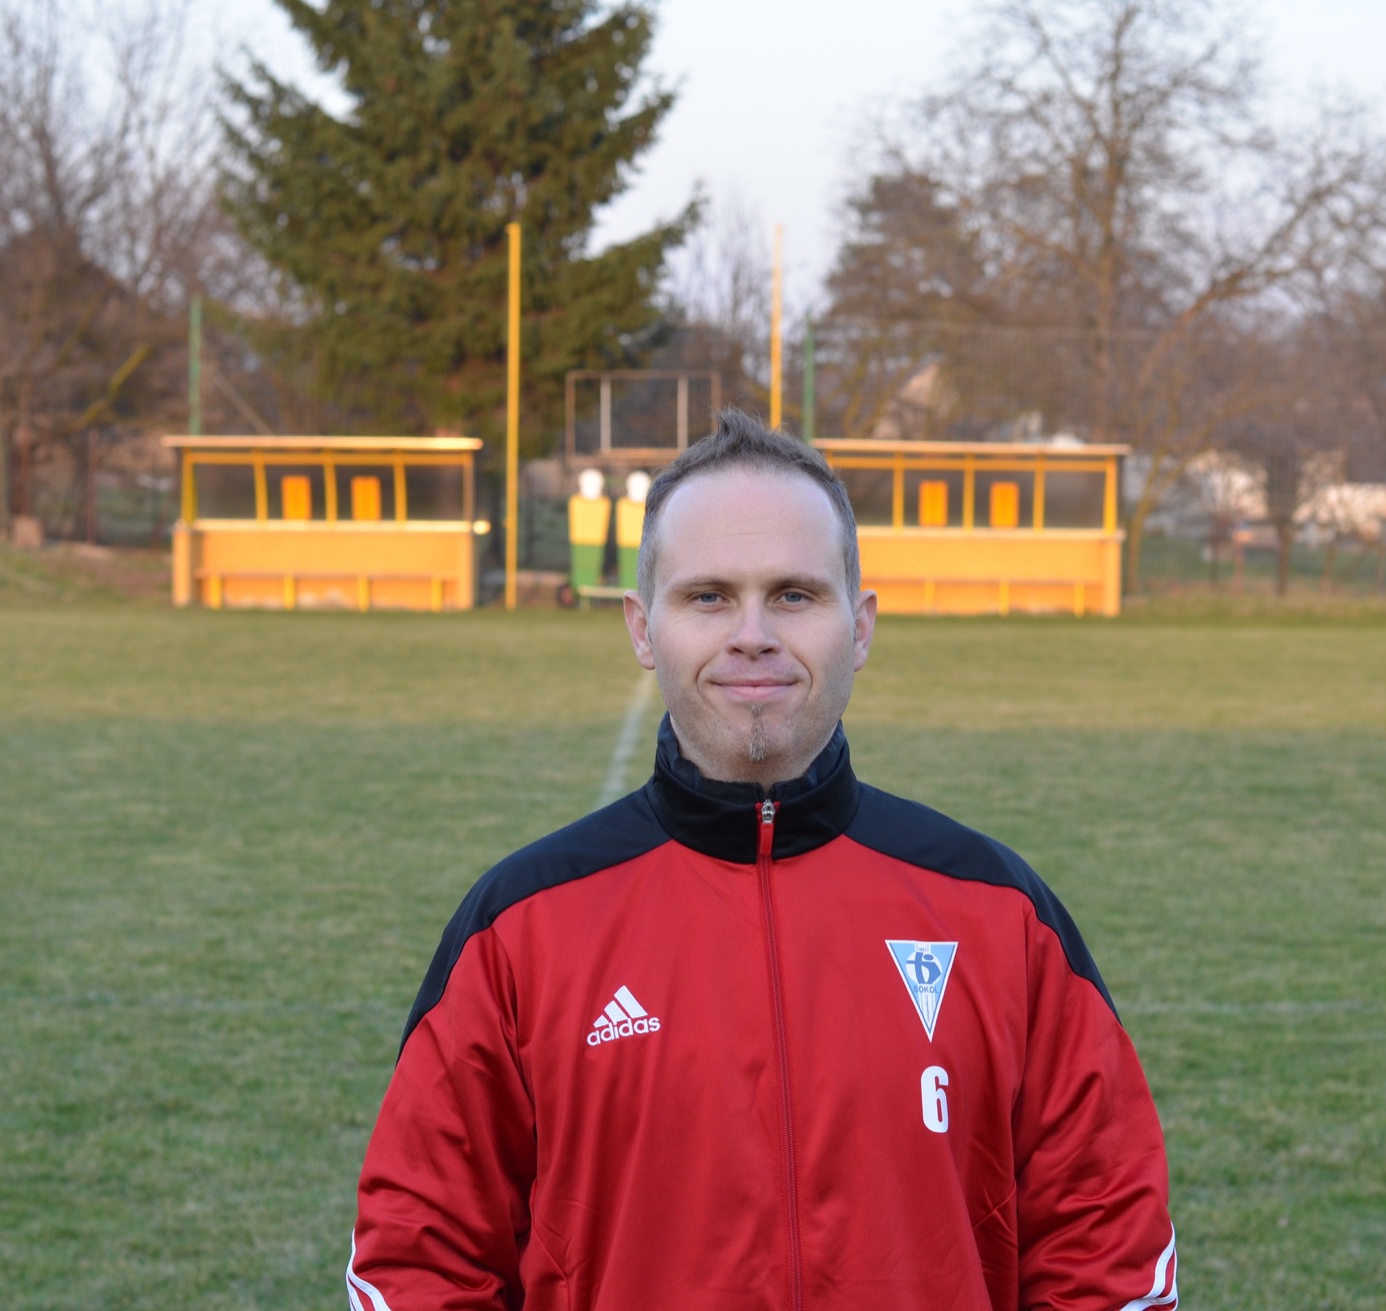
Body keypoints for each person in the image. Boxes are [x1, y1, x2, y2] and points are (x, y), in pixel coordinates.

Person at [349, 411, 1176, 1311]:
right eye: (708, 596)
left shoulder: (1000, 914)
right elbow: (420, 1259)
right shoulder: (519, 929)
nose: (752, 633)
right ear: (642, 628)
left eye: (794, 595)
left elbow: (1106, 1250)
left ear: (860, 626)